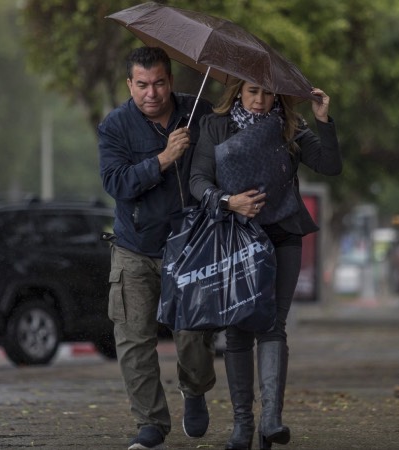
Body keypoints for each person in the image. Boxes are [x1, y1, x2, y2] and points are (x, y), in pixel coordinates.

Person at [190, 78, 342, 449]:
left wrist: (323, 119)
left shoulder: (291, 126)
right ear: (238, 92)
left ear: (278, 95)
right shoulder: (215, 125)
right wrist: (228, 201)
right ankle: (243, 426)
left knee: (274, 324)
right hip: (234, 237)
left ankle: (271, 420)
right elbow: (198, 180)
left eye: (268, 92)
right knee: (239, 328)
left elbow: (330, 165)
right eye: (253, 91)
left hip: (282, 234)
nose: (260, 100)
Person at [98, 46, 217, 450]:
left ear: (171, 81)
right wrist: (164, 158)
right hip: (134, 247)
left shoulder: (199, 113)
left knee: (194, 336)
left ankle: (194, 389)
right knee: (134, 340)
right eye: (143, 85)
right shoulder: (115, 126)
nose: (152, 93)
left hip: (190, 247)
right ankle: (150, 423)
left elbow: (225, 162)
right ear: (129, 85)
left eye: (159, 83)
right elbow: (116, 183)